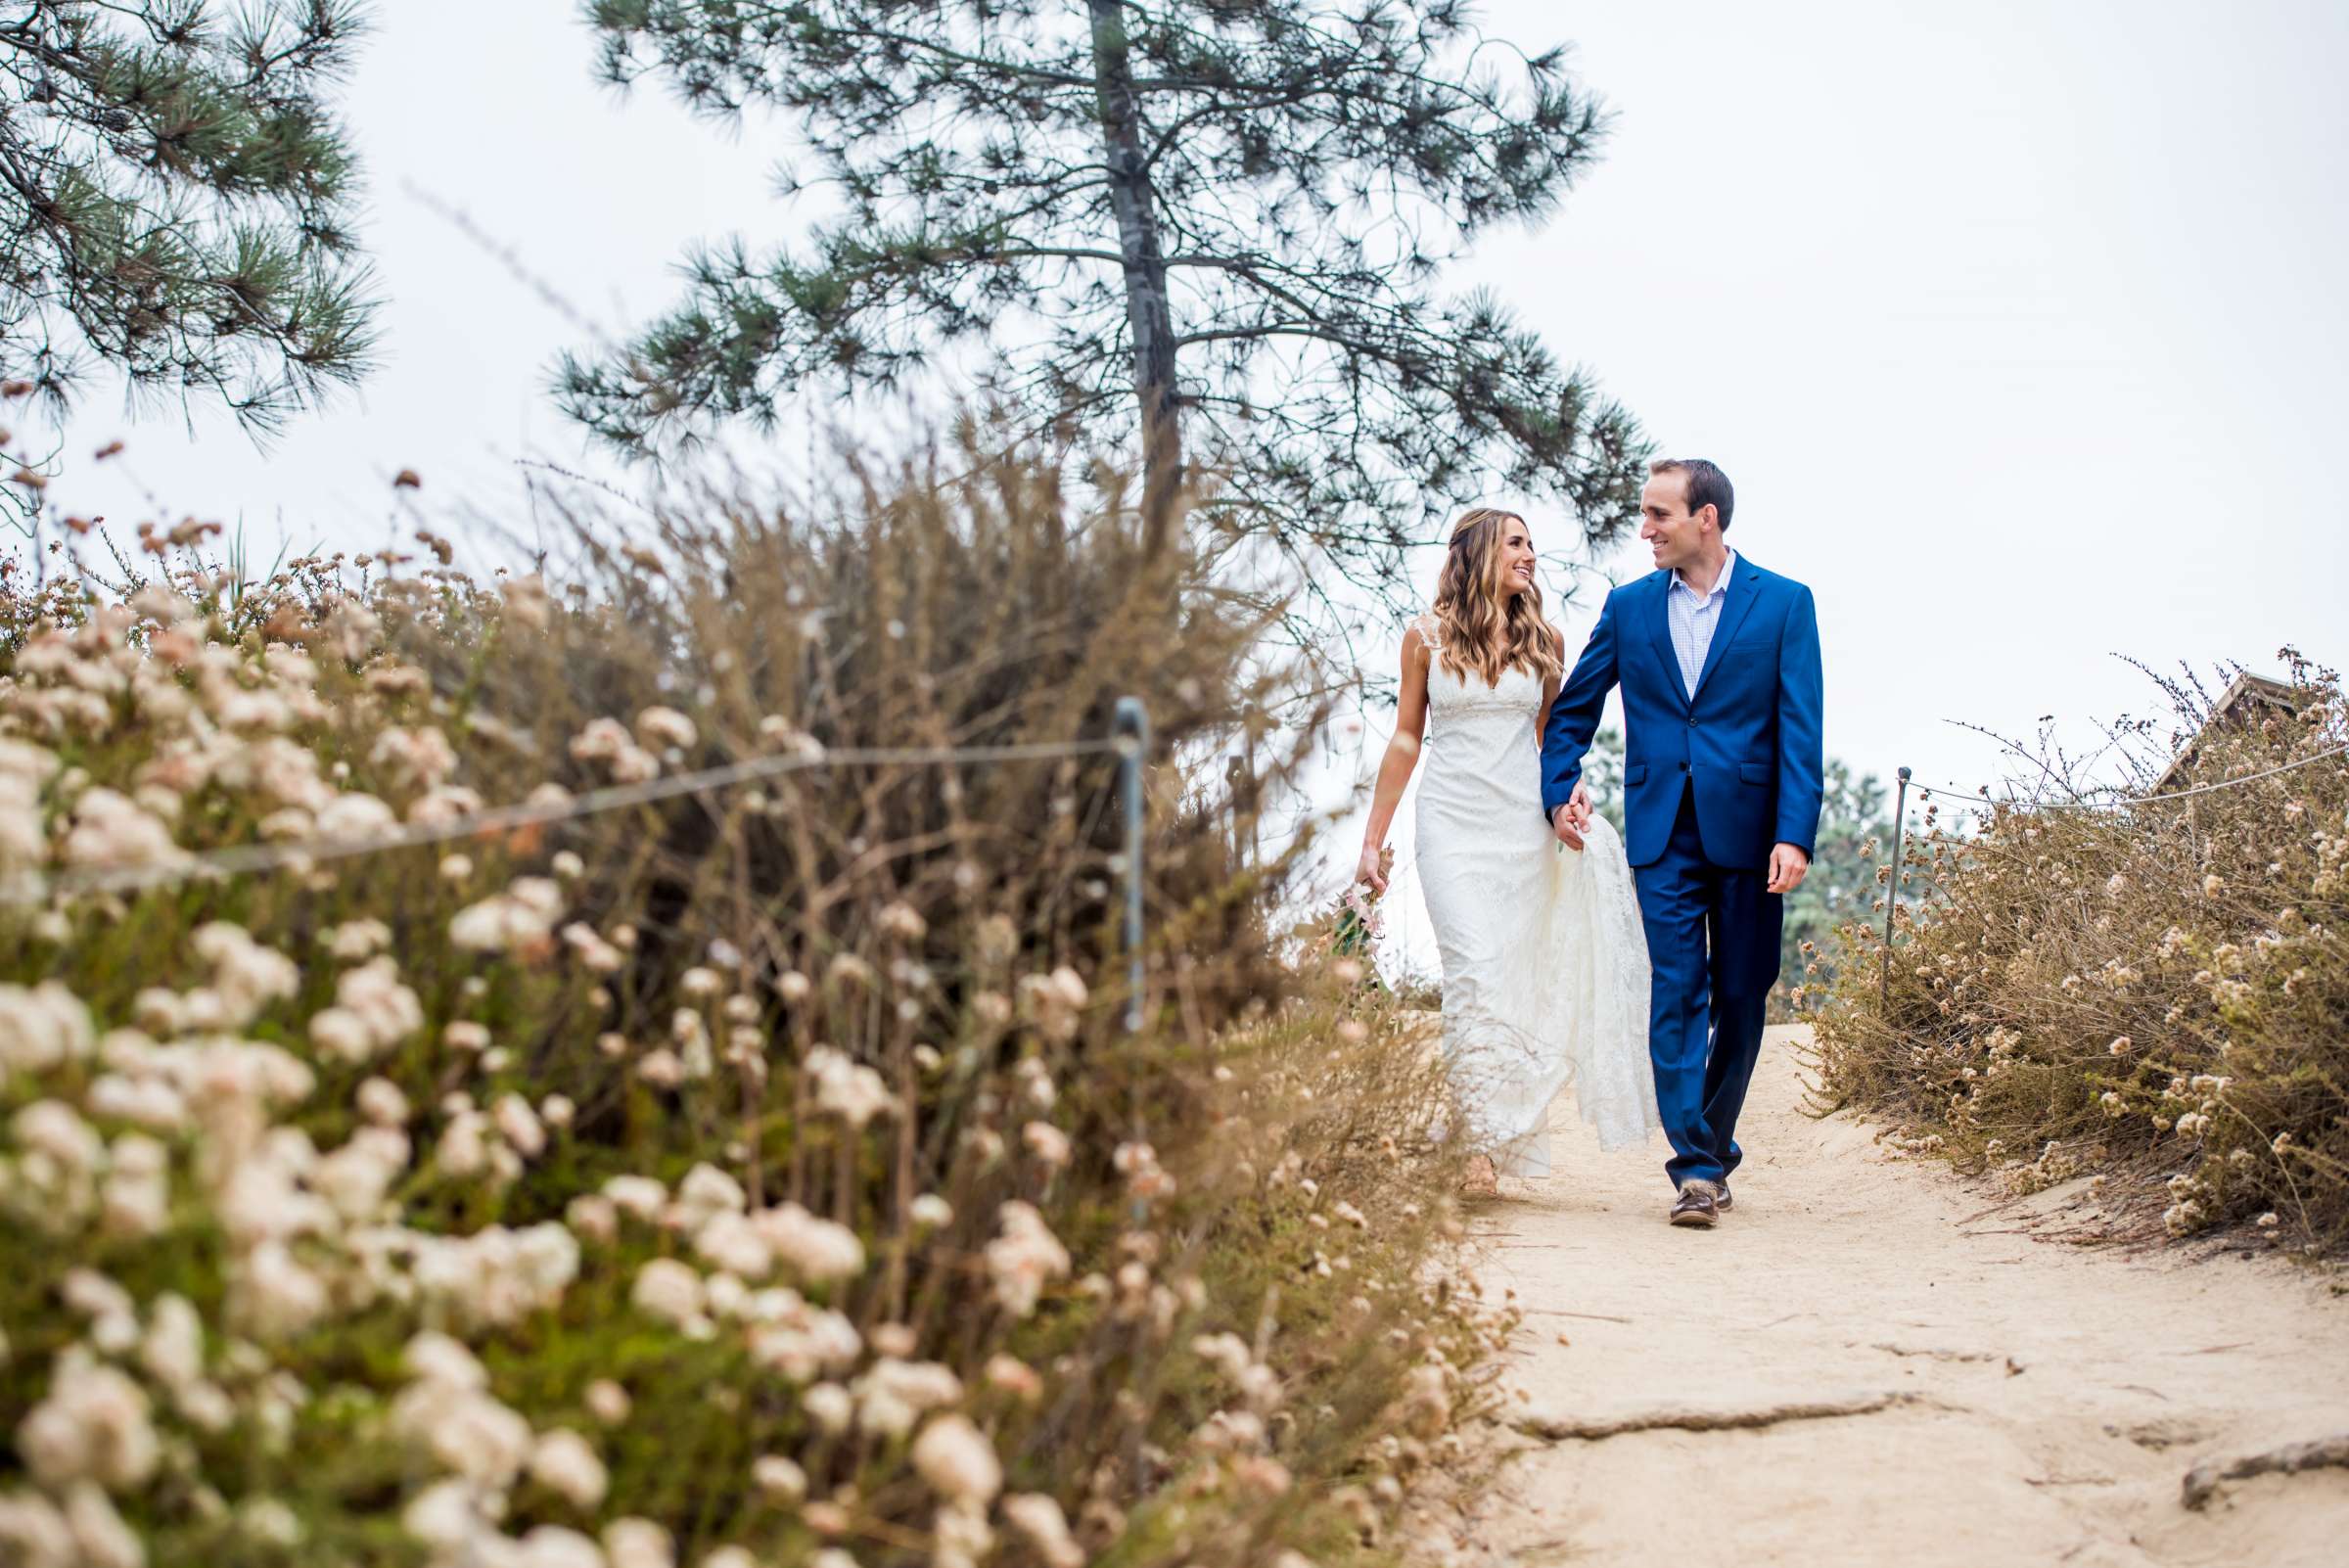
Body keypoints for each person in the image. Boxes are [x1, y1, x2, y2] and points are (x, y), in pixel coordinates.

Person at [1542, 458, 1823, 1227]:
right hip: (1661, 832)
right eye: (1644, 514)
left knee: (1741, 994)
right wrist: (1557, 789)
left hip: (1752, 832)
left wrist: (1795, 835)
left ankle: (1714, 1144)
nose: (1645, 530)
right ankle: (1694, 1169)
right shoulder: (1629, 608)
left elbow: (1803, 730)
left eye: (1659, 515)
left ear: (1707, 518)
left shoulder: (1786, 605)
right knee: (1676, 992)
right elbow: (1573, 711)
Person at [1357, 508, 1657, 1195]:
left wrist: (1569, 801)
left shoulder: (1544, 638)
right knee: (1474, 974)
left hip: (1523, 829)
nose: (1530, 555)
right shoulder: (1425, 638)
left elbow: (1556, 742)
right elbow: (1407, 738)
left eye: (1531, 545)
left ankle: (1490, 1132)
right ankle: (1475, 1148)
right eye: (1517, 544)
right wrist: (1374, 838)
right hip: (1451, 826)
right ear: (1481, 552)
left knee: (1516, 987)